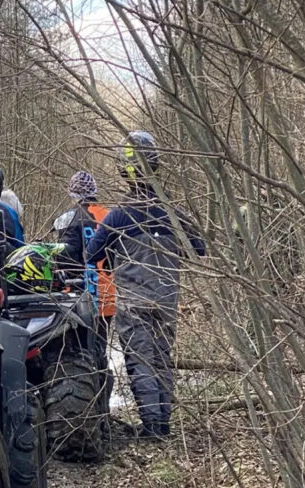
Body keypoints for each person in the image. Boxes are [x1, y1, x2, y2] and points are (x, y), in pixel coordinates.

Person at [85, 131, 205, 439]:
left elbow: (91, 253)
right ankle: (162, 423)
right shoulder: (174, 214)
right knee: (162, 358)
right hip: (166, 301)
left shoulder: (119, 216)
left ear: (124, 171)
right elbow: (199, 248)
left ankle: (153, 427)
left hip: (133, 302)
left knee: (140, 361)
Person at [55, 171, 115, 403]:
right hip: (107, 296)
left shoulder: (68, 218)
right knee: (100, 351)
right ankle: (103, 408)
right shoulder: (108, 215)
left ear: (72, 192)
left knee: (80, 355)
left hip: (79, 297)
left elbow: (64, 256)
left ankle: (88, 408)